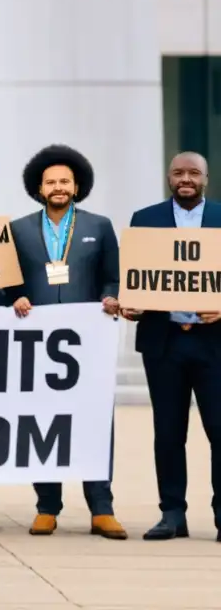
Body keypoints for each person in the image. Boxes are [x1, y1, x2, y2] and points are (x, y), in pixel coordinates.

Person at [6, 144, 127, 540]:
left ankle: (101, 508)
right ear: (38, 188)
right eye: (51, 182)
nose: (58, 187)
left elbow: (113, 275)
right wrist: (15, 297)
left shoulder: (99, 225)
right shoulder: (19, 229)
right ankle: (47, 506)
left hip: (87, 342)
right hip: (38, 344)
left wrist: (111, 296)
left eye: (65, 181)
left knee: (95, 422)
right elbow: (8, 281)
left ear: (77, 186)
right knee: (44, 422)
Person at [122, 151, 221, 541]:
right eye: (178, 172)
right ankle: (172, 514)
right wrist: (131, 303)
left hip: (213, 343)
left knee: (220, 430)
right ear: (168, 177)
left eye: (193, 173)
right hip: (163, 341)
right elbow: (134, 278)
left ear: (205, 179)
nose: (185, 178)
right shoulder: (145, 220)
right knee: (167, 432)